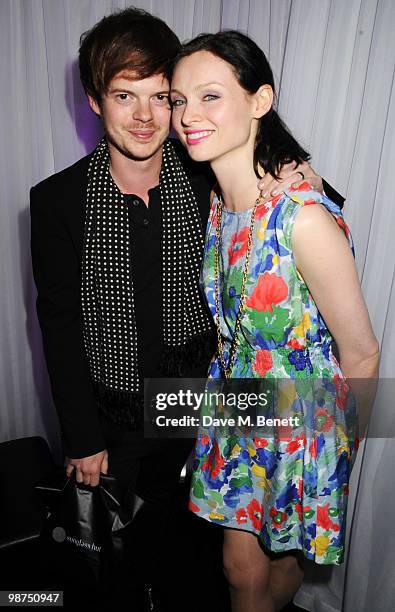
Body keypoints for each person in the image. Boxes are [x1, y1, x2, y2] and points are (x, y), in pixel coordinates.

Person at [30, 6, 339, 610]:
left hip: (201, 405)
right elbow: (57, 324)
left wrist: (293, 170)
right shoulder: (57, 201)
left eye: (160, 97)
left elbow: (294, 192)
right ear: (95, 101)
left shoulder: (208, 173)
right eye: (125, 95)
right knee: (114, 567)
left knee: (200, 566)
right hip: (111, 414)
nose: (146, 117)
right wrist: (80, 437)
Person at [170, 30, 380, 612]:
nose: (189, 115)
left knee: (258, 569)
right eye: (180, 100)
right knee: (254, 568)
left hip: (301, 423)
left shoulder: (302, 219)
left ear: (259, 101)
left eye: (210, 96)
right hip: (239, 409)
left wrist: (338, 452)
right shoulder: (220, 202)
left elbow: (362, 353)